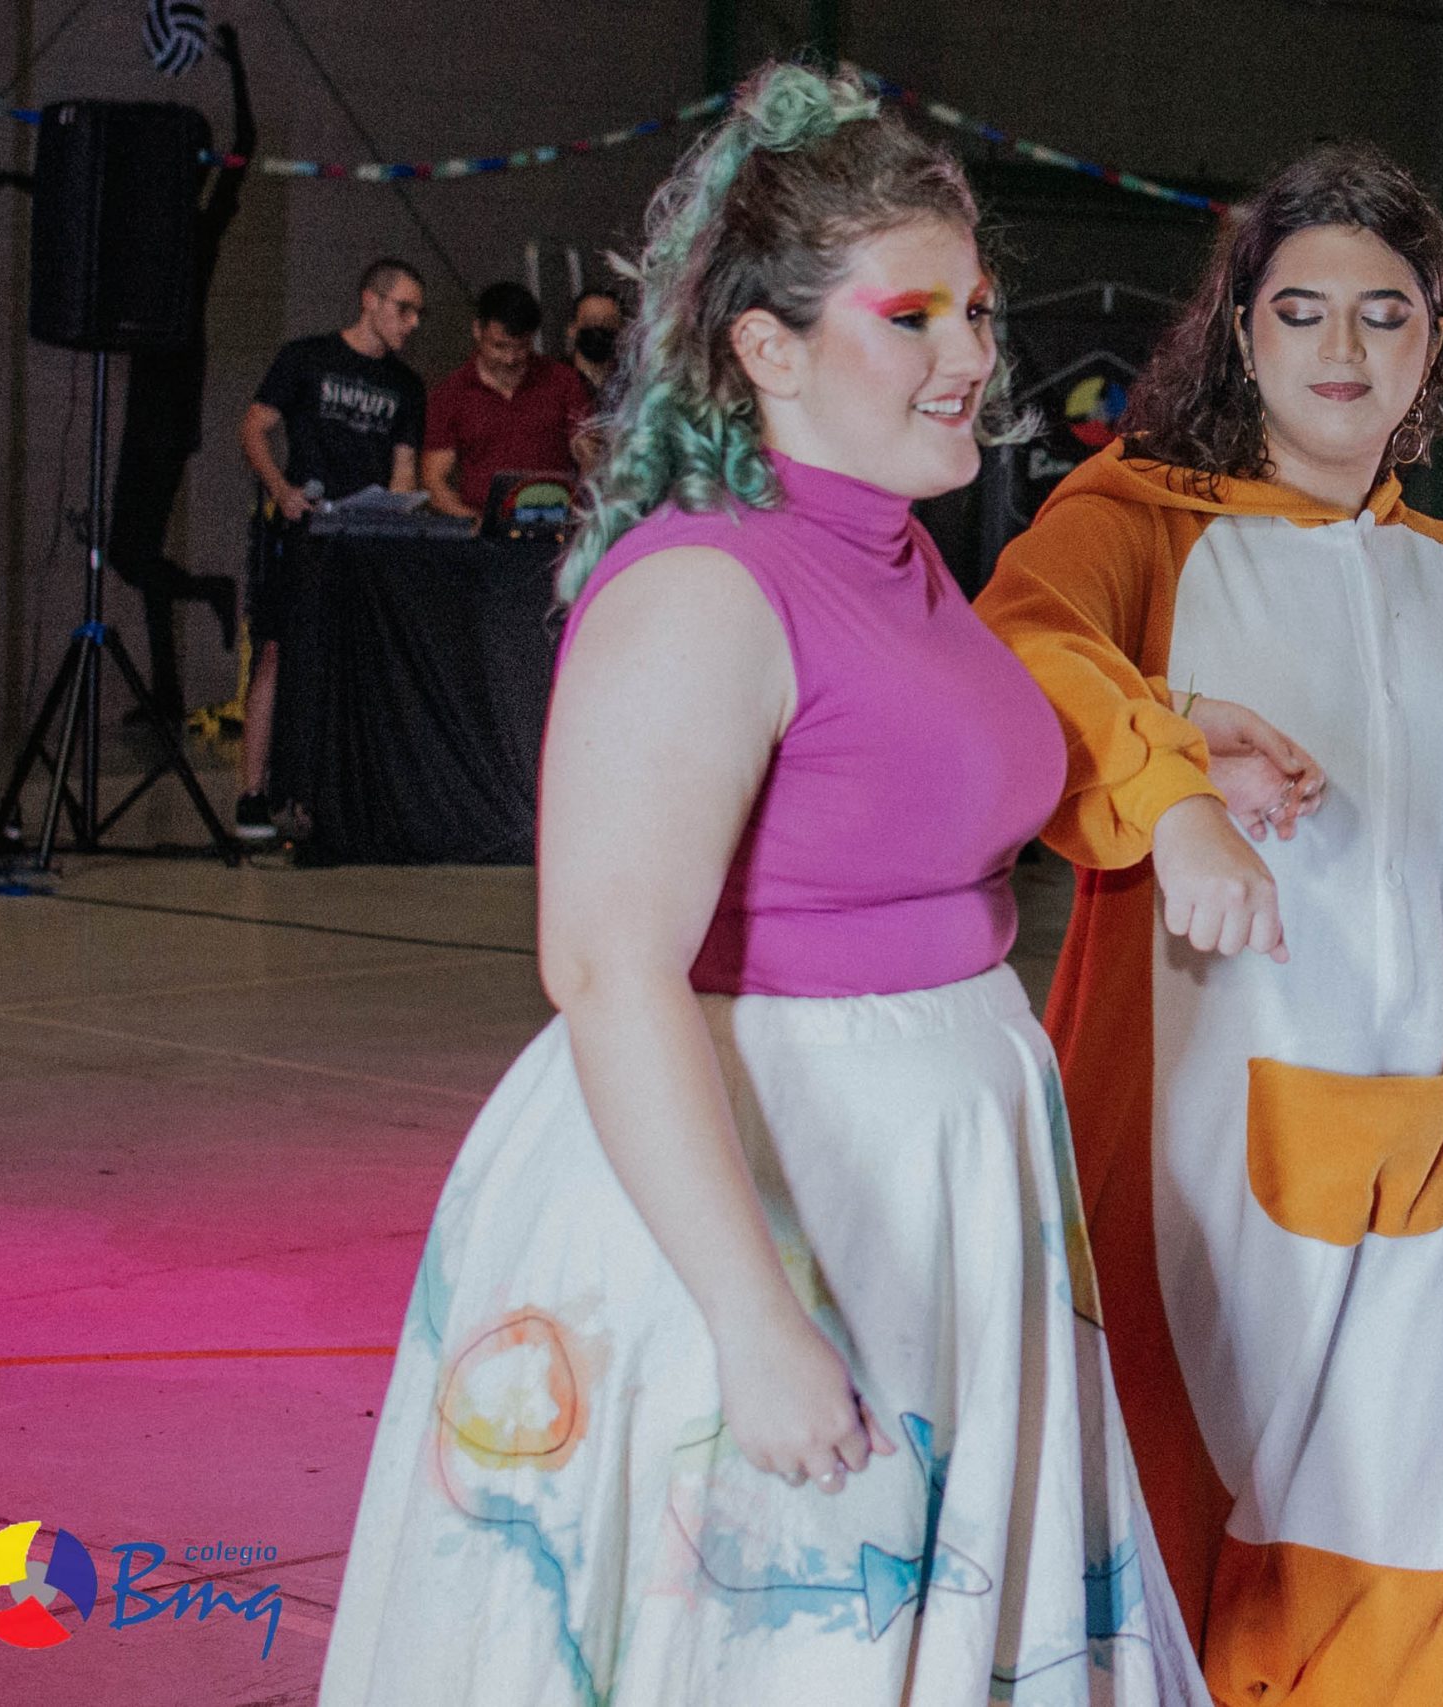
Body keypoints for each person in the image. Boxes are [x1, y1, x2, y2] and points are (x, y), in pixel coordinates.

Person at [318, 64, 1207, 1706]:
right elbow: (607, 964)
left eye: (977, 312)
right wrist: (753, 1315)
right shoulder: (705, 587)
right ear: (767, 348)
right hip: (760, 1189)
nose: (971, 355)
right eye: (913, 317)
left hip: (924, 1175)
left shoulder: (894, 546)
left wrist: (1196, 746)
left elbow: (921, 773)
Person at [975, 143, 1443, 1707]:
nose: (1342, 348)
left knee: (1407, 1545)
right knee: (1152, 1548)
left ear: (1437, 338)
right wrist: (1173, 784)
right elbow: (1016, 654)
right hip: (1193, 1153)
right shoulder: (1134, 519)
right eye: (1301, 311)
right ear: (1242, 331)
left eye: (1385, 312)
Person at [236, 259, 427, 838]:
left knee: (348, 657)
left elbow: (403, 469)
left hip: (363, 537)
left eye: (418, 313)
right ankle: (252, 790)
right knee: (277, 651)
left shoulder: (406, 386)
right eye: (404, 309)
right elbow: (254, 426)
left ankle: (326, 793)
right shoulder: (307, 357)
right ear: (370, 300)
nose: (412, 323)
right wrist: (281, 490)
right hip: (306, 530)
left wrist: (397, 515)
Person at [106, 19, 252, 730]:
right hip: (152, 397)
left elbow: (245, 149)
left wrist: (238, 69)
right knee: (137, 556)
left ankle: (211, 592)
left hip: (168, 403)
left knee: (129, 554)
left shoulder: (199, 226)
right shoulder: (152, 226)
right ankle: (165, 693)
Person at [422, 280, 593, 518]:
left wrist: (583, 511)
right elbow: (434, 480)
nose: (510, 359)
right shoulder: (450, 394)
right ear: (477, 330)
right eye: (499, 346)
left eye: (521, 347)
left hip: (556, 521)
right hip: (484, 526)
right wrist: (472, 521)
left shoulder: (563, 381)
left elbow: (590, 456)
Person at [567, 285, 625, 396]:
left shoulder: (633, 383)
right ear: (572, 329)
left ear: (622, 330)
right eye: (590, 321)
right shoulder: (555, 381)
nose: (599, 327)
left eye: (608, 323)